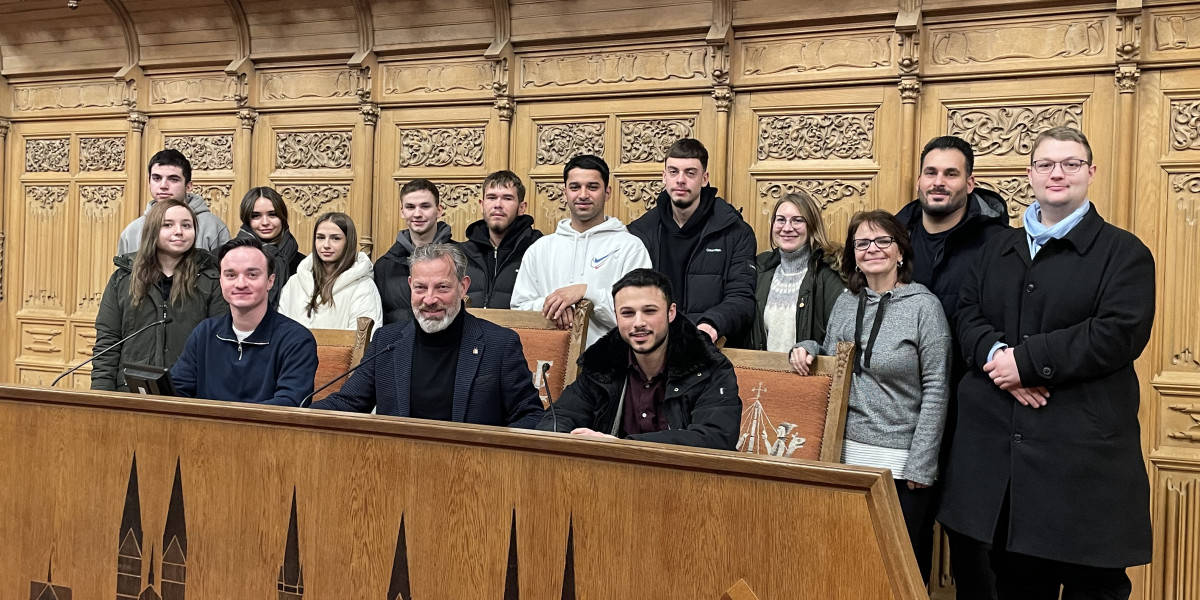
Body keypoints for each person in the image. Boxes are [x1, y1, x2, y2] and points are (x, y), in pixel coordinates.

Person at [938, 127, 1155, 600]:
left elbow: (1118, 333)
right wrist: (1001, 362)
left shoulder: (1125, 253)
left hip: (1083, 472)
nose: (1058, 173)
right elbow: (967, 313)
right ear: (1030, 174)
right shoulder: (996, 247)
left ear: (1091, 173)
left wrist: (1028, 362)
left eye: (1071, 164)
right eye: (1046, 164)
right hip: (1001, 474)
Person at [790, 210, 950, 582]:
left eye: (882, 241)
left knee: (898, 573)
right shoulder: (846, 302)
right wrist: (807, 347)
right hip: (844, 456)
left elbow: (938, 387)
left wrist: (922, 463)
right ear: (854, 255)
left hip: (900, 465)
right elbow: (833, 358)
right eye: (862, 243)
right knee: (849, 565)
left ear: (901, 252)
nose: (872, 249)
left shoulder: (925, 308)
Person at [893, 135, 1010, 583]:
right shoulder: (894, 239)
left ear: (971, 182)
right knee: (904, 535)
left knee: (973, 543)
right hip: (903, 411)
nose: (938, 183)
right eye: (931, 172)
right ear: (919, 179)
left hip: (973, 409)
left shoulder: (998, 244)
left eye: (950, 173)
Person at [317, 244, 544, 428]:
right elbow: (347, 403)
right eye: (420, 288)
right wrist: (296, 415)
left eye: (442, 288)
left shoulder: (500, 344)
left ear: (463, 287)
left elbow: (529, 415)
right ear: (410, 286)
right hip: (399, 469)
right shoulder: (387, 341)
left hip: (473, 473)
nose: (429, 299)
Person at [534, 268, 740, 449]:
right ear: (616, 317)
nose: (638, 322)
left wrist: (623, 447)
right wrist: (565, 439)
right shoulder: (601, 364)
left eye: (649, 311)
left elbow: (716, 438)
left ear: (671, 313)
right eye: (628, 313)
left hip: (688, 485)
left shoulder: (709, 366)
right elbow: (559, 417)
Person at [511, 155, 651, 347]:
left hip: (610, 366)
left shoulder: (630, 247)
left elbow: (640, 317)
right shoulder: (540, 249)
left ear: (607, 192)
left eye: (592, 187)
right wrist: (556, 306)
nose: (583, 194)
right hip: (548, 364)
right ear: (565, 192)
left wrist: (587, 293)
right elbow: (518, 311)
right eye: (575, 187)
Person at [628, 138, 756, 346]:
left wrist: (711, 324)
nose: (680, 180)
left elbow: (742, 298)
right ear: (664, 177)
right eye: (673, 172)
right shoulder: (639, 233)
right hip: (652, 350)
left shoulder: (735, 232)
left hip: (710, 349)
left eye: (690, 173)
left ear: (704, 178)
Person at [92, 199, 228, 392]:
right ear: (152, 230)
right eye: (168, 225)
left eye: (186, 225)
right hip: (131, 390)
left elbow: (220, 345)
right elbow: (107, 341)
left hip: (190, 392)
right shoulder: (123, 279)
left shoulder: (211, 279)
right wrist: (101, 394)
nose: (179, 231)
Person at [170, 237, 318, 406]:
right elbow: (175, 392)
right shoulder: (205, 333)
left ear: (270, 281)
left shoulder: (297, 340)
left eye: (252, 275)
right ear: (221, 281)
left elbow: (290, 404)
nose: (240, 284)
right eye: (230, 275)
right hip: (205, 431)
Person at [746, 191, 845, 351]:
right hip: (763, 373)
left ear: (812, 225)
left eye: (797, 220)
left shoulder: (828, 275)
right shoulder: (760, 270)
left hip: (811, 373)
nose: (787, 228)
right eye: (780, 220)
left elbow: (838, 340)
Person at [278, 212, 383, 334]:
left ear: (348, 242)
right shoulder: (294, 282)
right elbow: (281, 331)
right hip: (294, 353)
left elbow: (362, 340)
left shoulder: (363, 286)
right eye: (320, 237)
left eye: (335, 238)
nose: (326, 245)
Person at [118, 149, 230, 255]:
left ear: (188, 186)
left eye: (173, 179)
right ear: (149, 182)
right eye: (157, 178)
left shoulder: (213, 227)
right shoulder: (132, 231)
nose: (163, 186)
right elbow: (122, 274)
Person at [375, 179, 454, 325]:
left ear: (439, 210)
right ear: (402, 211)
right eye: (410, 207)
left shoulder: (458, 259)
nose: (417, 214)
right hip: (399, 345)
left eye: (425, 206)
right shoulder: (383, 266)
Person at [461, 170, 542, 309]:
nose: (498, 204)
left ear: (522, 208)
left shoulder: (539, 250)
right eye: (492, 197)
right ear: (481, 204)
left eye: (507, 198)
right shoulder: (461, 254)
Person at [235, 187, 304, 310]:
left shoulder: (303, 265)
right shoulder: (226, 257)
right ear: (247, 220)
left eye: (272, 215)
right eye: (256, 216)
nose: (265, 222)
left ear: (282, 217)